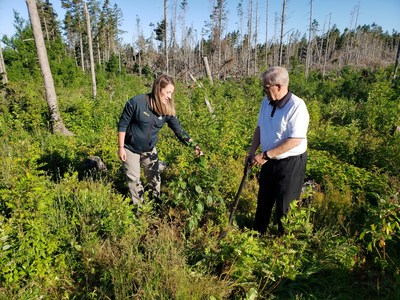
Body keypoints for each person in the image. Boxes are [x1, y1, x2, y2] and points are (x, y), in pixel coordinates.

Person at [118, 74, 202, 205]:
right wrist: (121, 147)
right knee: (134, 179)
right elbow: (122, 124)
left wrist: (194, 146)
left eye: (171, 93)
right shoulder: (137, 102)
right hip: (130, 148)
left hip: (149, 149)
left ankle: (155, 203)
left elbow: (179, 130)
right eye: (168, 92)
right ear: (158, 89)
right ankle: (140, 209)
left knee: (154, 178)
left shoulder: (166, 109)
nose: (169, 96)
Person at [247, 66, 309, 236]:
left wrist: (266, 154)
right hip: (268, 159)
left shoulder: (297, 106)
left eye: (266, 87)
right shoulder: (266, 102)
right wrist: (252, 151)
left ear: (279, 86)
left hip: (290, 163)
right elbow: (260, 127)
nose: (264, 91)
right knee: (264, 201)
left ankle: (286, 243)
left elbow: (295, 140)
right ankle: (256, 236)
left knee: (285, 206)